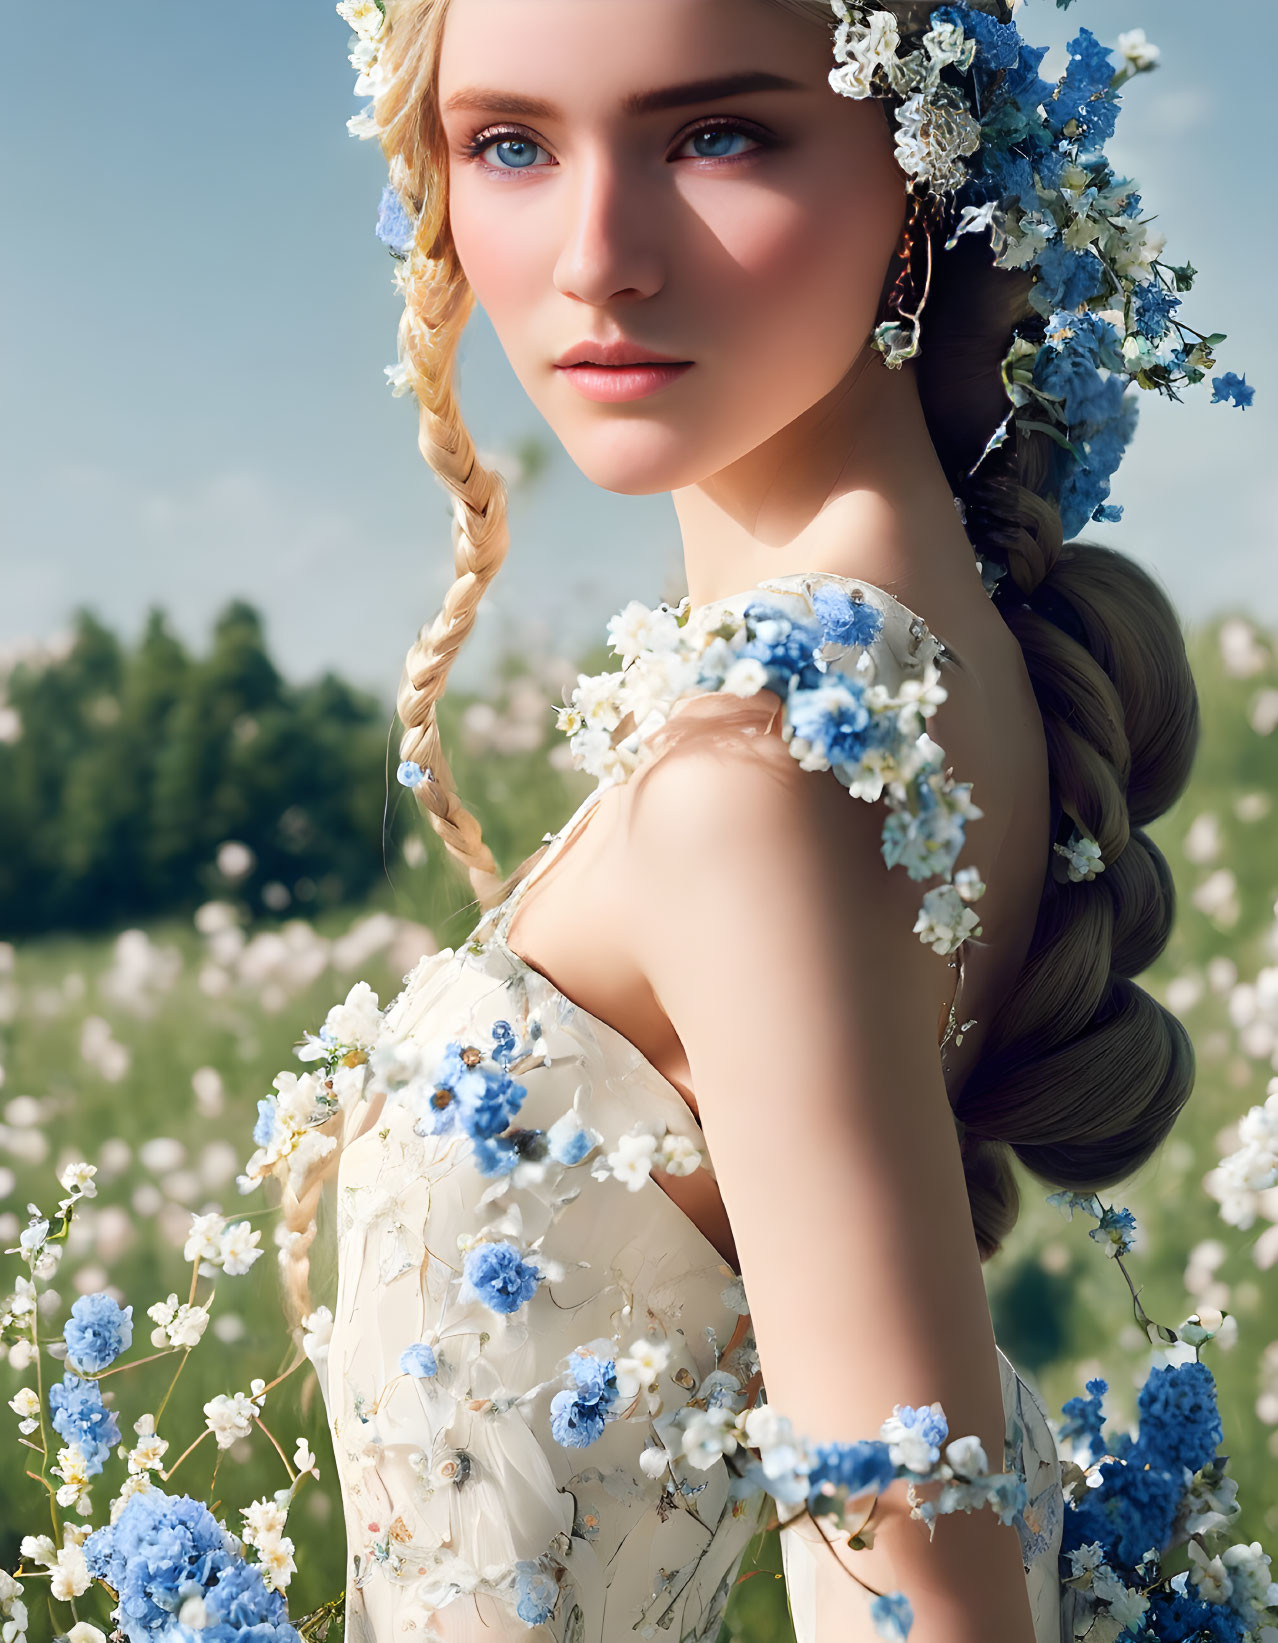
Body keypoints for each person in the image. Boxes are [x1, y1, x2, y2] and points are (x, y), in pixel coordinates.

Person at [272, 1, 1202, 1637]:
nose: (595, 258)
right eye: (508, 144)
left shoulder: (759, 787)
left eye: (715, 134)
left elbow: (921, 1592)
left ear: (920, 178)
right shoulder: (947, 687)